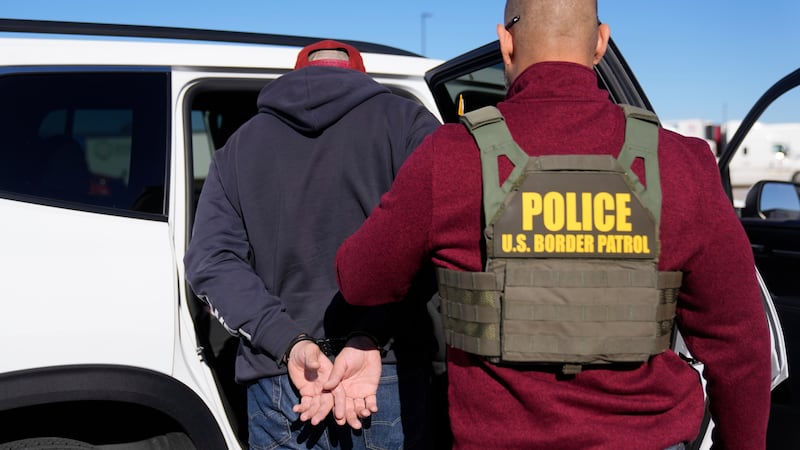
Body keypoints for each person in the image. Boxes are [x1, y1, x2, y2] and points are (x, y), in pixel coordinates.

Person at [333, 1, 772, 449]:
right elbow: (740, 348)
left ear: (506, 44)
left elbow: (360, 280)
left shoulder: (449, 157)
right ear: (601, 41)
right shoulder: (681, 164)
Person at [184, 39, 443, 450]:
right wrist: (372, 333)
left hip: (282, 376)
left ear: (297, 75)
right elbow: (441, 233)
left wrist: (288, 341)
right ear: (361, 78)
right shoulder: (409, 124)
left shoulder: (238, 146)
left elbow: (212, 261)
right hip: (384, 370)